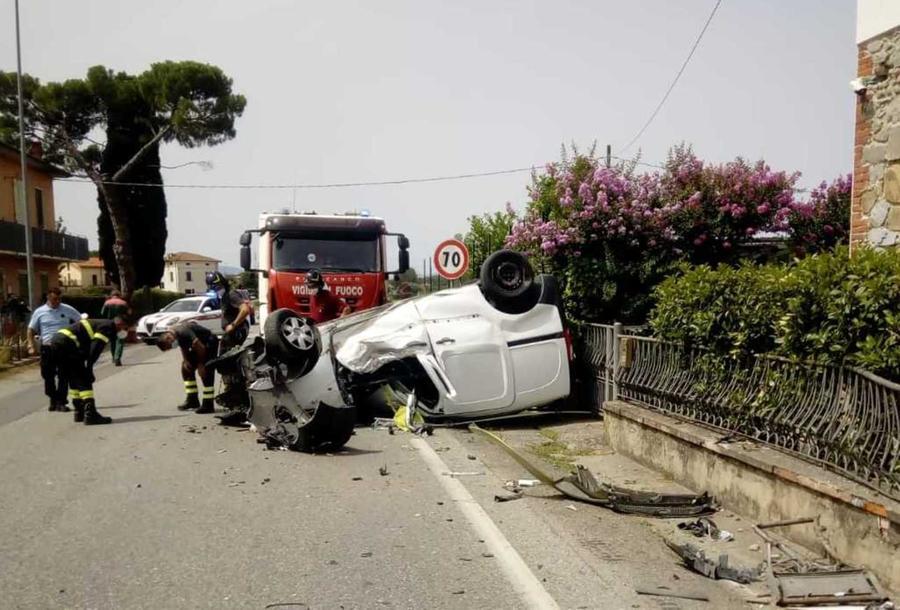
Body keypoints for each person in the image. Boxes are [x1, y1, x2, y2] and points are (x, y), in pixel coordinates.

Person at [49, 316, 128, 425]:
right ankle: (90, 415)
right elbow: (96, 348)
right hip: (68, 343)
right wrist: (89, 368)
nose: (124, 332)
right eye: (125, 328)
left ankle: (79, 412)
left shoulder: (99, 323)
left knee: (73, 377)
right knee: (84, 378)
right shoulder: (108, 326)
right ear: (120, 324)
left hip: (57, 341)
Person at [27, 288, 81, 412]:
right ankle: (53, 398)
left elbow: (81, 320)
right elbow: (30, 330)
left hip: (64, 347)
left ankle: (61, 402)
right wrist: (30, 345)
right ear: (48, 298)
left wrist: (76, 336)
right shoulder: (39, 312)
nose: (57, 302)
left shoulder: (67, 309)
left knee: (64, 375)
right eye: (54, 299)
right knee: (47, 376)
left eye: (59, 299)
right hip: (48, 347)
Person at [156, 321, 220, 414]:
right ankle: (192, 400)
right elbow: (183, 347)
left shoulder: (183, 331)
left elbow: (200, 346)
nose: (172, 347)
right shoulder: (174, 333)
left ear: (168, 338)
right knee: (185, 369)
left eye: (170, 346)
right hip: (197, 346)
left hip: (208, 342)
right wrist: (186, 361)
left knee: (206, 371)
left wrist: (201, 364)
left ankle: (208, 404)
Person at [100, 290, 130, 366]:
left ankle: (113, 358)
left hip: (110, 324)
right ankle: (117, 358)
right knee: (120, 341)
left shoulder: (107, 303)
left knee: (112, 341)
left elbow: (102, 313)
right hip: (121, 324)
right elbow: (129, 313)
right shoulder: (123, 303)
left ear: (111, 295)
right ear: (119, 295)